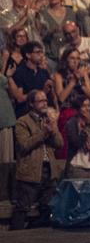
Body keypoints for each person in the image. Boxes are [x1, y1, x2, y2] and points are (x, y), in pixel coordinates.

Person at [11, 89, 64, 229]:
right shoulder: (22, 122)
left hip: (49, 171)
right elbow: (24, 145)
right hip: (31, 172)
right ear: (31, 104)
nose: (45, 103)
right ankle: (14, 240)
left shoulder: (48, 120)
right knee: (22, 208)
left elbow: (59, 144)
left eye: (46, 100)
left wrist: (53, 130)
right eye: (40, 101)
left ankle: (39, 240)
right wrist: (44, 133)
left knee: (47, 209)